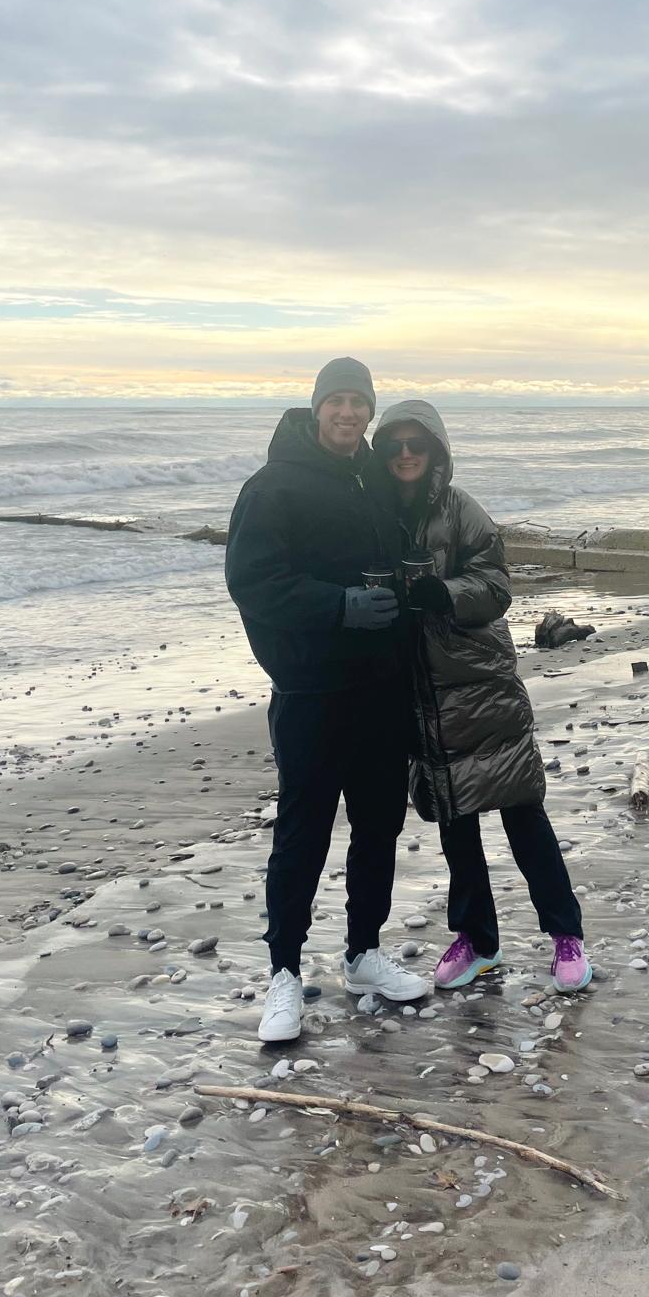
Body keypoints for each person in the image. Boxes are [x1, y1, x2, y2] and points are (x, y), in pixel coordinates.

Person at [225, 358, 431, 1044]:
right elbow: (253, 582)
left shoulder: (375, 479)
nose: (348, 413)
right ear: (316, 408)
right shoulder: (272, 487)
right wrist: (337, 606)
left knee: (378, 827)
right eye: (337, 401)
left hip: (381, 688)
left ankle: (364, 955)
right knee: (302, 834)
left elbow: (424, 520)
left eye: (359, 403)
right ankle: (283, 975)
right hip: (311, 689)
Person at [373, 399, 591, 994]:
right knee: (454, 821)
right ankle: (477, 940)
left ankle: (565, 935)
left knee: (523, 811)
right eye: (393, 444)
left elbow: (496, 583)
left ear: (436, 450)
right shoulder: (371, 511)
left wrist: (444, 595)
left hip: (479, 683)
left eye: (416, 443)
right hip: (420, 694)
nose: (406, 453)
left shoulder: (461, 509)